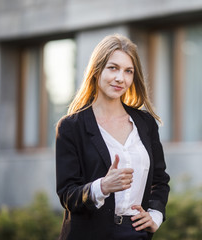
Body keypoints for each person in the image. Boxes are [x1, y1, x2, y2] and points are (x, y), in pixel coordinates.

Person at [55, 34, 170, 240]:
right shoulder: (71, 127)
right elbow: (67, 194)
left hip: (136, 234)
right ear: (96, 70)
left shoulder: (145, 124)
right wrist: (103, 186)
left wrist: (155, 215)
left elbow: (160, 181)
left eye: (128, 71)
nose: (120, 78)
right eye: (113, 68)